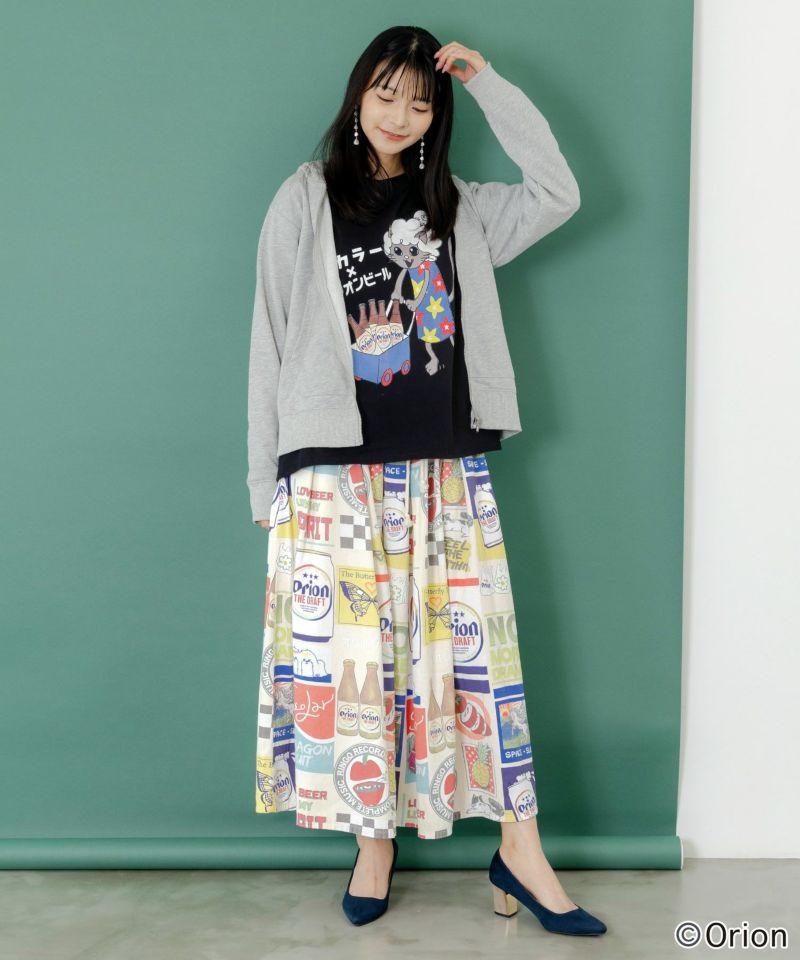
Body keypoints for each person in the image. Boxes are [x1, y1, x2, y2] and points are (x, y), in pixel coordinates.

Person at [247, 25, 606, 934]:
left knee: (477, 667)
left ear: (436, 112)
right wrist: (265, 482)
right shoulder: (305, 198)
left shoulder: (460, 207)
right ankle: (374, 845)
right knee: (359, 672)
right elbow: (271, 336)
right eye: (386, 93)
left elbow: (559, 193)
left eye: (420, 100)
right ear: (357, 96)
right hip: (333, 473)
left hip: (445, 466)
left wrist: (487, 82)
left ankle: (520, 849)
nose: (401, 114)